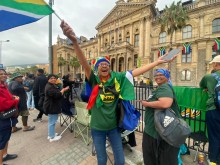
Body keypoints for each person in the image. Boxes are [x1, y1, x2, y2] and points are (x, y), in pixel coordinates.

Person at [60, 21, 177, 165]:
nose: (104, 65)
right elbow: (84, 63)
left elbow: (136, 72)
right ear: (97, 69)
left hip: (114, 128)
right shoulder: (94, 81)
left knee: (120, 160)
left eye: (107, 64)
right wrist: (74, 42)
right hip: (97, 128)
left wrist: (157, 63)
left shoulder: (118, 78)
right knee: (101, 160)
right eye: (101, 64)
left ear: (110, 68)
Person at [140, 68, 180, 165]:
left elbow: (165, 103)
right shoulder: (161, 87)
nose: (158, 77)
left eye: (160, 75)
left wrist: (147, 104)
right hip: (156, 132)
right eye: (156, 75)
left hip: (159, 134)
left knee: (157, 159)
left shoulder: (164, 87)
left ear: (167, 76)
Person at [199, 55, 220, 164]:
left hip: (214, 108)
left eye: (213, 64)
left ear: (216, 64)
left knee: (214, 135)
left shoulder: (209, 77)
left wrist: (207, 87)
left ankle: (213, 161)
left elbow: (201, 85)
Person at [0, 67, 19, 164]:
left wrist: (12, 97)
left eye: (4, 73)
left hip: (8, 116)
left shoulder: (4, 85)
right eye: (1, 74)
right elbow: (2, 104)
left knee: (6, 137)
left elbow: (7, 98)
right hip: (3, 117)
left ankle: (5, 155)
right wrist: (15, 100)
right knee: (2, 140)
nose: (3, 75)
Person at [43, 74, 69, 142]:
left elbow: (57, 93)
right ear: (48, 79)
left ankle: (51, 134)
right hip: (51, 107)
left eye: (54, 78)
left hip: (51, 106)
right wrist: (63, 90)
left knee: (51, 121)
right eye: (51, 78)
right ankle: (52, 137)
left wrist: (63, 90)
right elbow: (57, 95)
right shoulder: (49, 87)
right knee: (52, 122)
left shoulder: (51, 85)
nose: (53, 79)